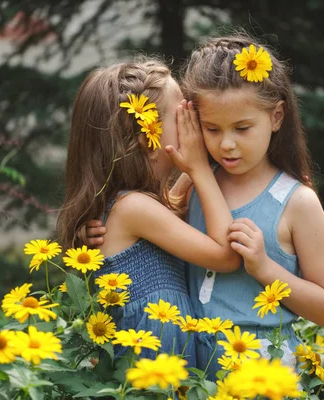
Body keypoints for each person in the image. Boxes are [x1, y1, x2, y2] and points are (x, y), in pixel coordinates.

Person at [86, 33, 324, 377]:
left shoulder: (296, 202)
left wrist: (266, 269)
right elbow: (154, 236)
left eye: (242, 128)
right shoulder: (196, 182)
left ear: (277, 117)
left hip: (261, 373)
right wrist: (95, 235)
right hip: (194, 370)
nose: (227, 145)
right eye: (211, 128)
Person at [56, 57, 241, 367]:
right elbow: (226, 255)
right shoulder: (133, 208)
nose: (192, 119)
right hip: (151, 360)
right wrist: (199, 169)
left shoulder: (141, 205)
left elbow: (178, 202)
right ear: (148, 136)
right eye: (182, 112)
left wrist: (201, 167)